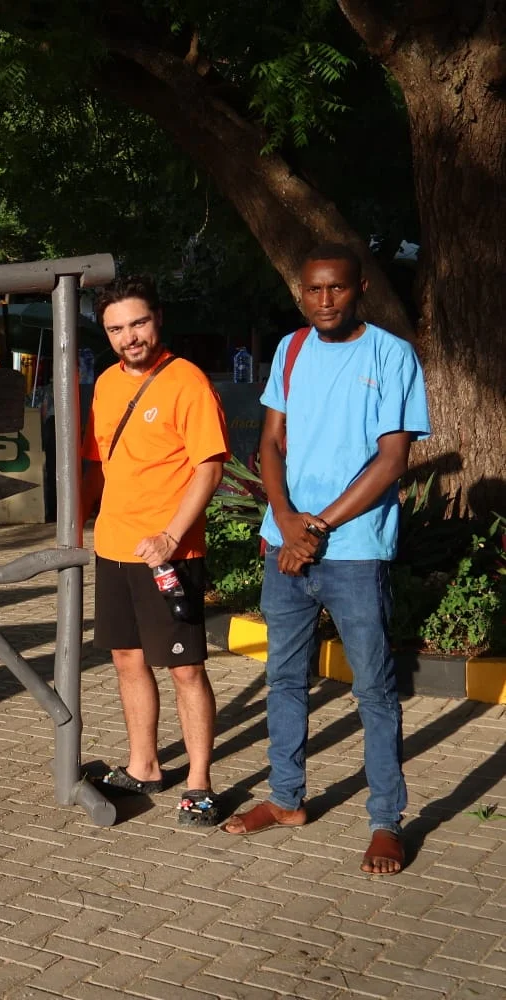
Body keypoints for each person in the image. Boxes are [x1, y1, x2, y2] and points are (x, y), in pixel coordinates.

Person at [223, 244, 430, 876]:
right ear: (301, 293)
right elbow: (270, 443)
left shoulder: (391, 355)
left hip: (355, 552)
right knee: (284, 680)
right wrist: (286, 520)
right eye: (313, 290)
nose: (324, 300)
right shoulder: (291, 350)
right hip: (286, 547)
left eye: (336, 288)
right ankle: (286, 799)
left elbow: (392, 461)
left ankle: (386, 821)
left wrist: (314, 527)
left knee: (374, 690)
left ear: (360, 287)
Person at [82, 276, 230, 826]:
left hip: (170, 555)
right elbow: (97, 464)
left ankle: (200, 783)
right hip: (114, 547)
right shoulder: (105, 384)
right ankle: (143, 766)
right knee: (126, 659)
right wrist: (75, 522)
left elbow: (209, 468)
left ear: (158, 319)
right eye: (116, 328)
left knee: (185, 668)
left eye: (138, 323)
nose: (129, 337)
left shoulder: (186, 381)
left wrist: (170, 535)